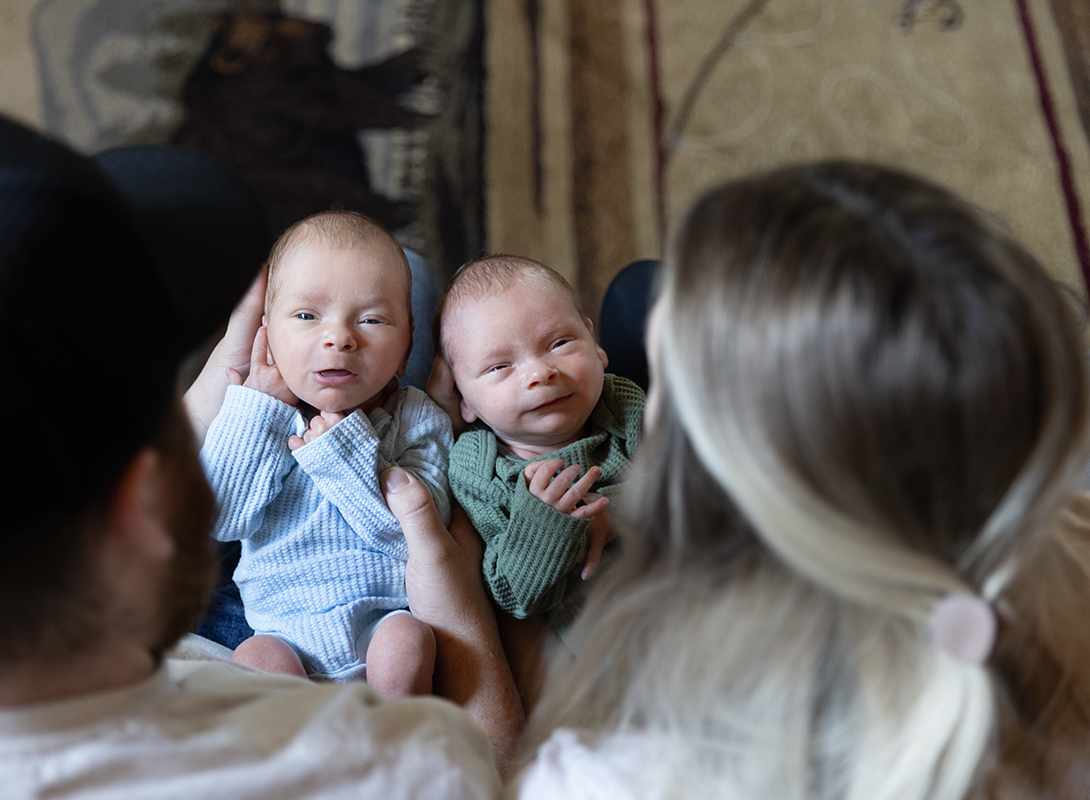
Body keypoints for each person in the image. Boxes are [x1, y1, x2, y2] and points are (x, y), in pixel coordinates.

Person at [0, 110, 521, 796]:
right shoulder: (419, 764)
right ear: (144, 507)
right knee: (414, 272)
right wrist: (451, 558)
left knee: (396, 273)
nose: (338, 338)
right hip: (321, 623)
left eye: (369, 323)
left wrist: (221, 391)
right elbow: (494, 765)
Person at [506, 161, 1090, 798]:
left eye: (663, 376)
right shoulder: (1066, 534)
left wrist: (455, 546)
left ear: (706, 478)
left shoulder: (607, 772)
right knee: (639, 288)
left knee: (635, 290)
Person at [201, 211, 450, 696]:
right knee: (252, 659)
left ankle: (395, 724)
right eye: (306, 317)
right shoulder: (255, 414)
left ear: (407, 348)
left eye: (371, 319)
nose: (339, 338)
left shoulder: (416, 417)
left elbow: (419, 538)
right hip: (282, 634)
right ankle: (304, 733)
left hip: (381, 621)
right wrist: (259, 410)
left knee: (407, 642)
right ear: (266, 336)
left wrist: (343, 455)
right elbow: (220, 519)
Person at [429, 256, 646, 641]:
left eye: (559, 344)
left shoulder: (623, 404)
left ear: (595, 346)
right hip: (619, 644)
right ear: (463, 399)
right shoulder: (478, 467)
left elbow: (694, 485)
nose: (540, 373)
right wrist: (546, 526)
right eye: (499, 367)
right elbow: (513, 595)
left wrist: (617, 512)